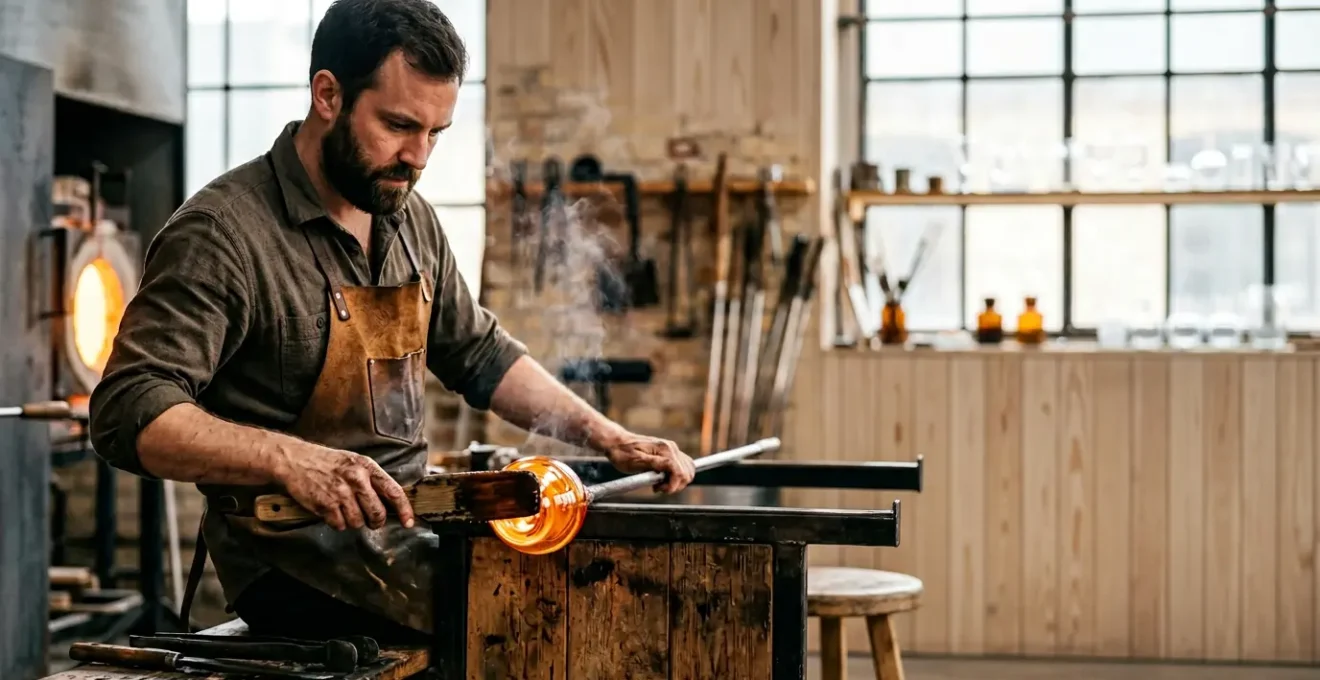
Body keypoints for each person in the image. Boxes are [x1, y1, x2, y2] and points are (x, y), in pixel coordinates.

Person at [87, 0, 695, 643]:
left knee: (593, 592)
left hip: (407, 533)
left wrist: (608, 436)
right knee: (514, 628)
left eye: (437, 133)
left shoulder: (408, 217)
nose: (419, 155)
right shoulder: (223, 235)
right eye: (400, 125)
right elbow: (127, 409)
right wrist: (291, 459)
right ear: (328, 94)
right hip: (290, 559)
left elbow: (480, 355)